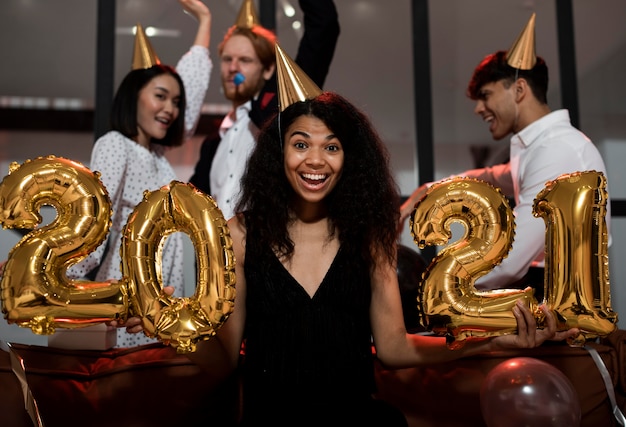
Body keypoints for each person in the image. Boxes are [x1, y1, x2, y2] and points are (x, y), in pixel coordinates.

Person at [124, 46, 579, 426]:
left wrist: (492, 340)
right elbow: (224, 358)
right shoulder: (239, 233)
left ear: (350, 159)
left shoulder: (369, 236)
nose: (315, 160)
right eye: (301, 144)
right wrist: (166, 327)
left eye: (332, 146)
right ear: (278, 153)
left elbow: (396, 348)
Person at [399, 14, 610, 297]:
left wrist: (438, 291)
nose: (479, 108)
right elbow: (486, 177)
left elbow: (508, 259)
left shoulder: (557, 150)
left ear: (519, 89)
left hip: (561, 314)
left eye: (486, 95)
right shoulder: (539, 150)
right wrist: (424, 192)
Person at [67, 0, 213, 347]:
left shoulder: (157, 157)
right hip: (129, 309)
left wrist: (205, 20)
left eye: (175, 102)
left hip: (162, 307)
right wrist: (46, 269)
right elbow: (91, 223)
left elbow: (190, 94)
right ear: (134, 97)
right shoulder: (117, 145)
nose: (171, 109)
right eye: (160, 96)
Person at [188, 0, 340, 221]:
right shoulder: (214, 142)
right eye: (228, 59)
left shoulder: (281, 110)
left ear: (269, 69)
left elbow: (324, 27)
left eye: (245, 60)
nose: (233, 68)